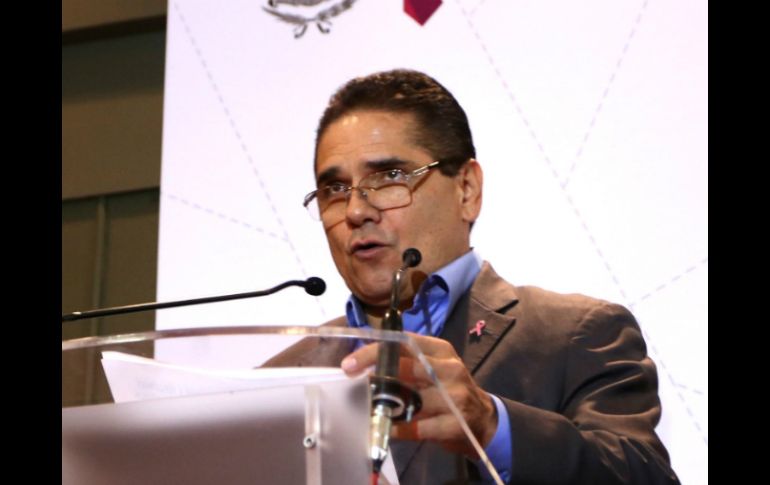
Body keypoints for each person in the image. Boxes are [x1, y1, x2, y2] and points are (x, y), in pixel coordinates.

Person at [266, 69, 680, 484]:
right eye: (335, 189)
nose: (356, 211)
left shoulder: (578, 334)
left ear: (466, 190)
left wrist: (490, 425)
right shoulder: (275, 380)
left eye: (390, 177)